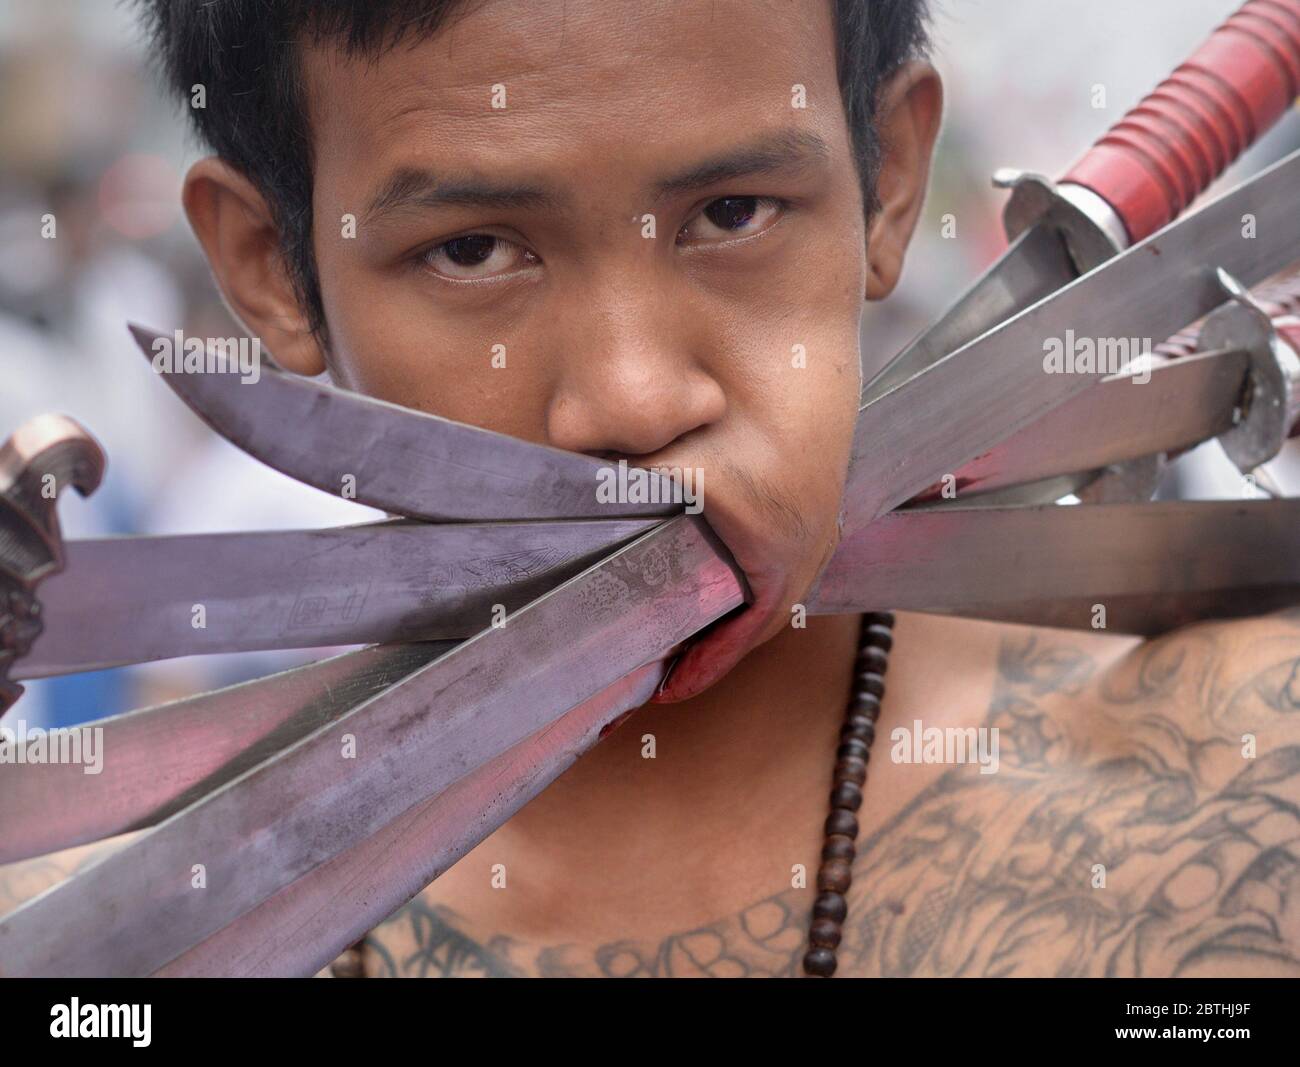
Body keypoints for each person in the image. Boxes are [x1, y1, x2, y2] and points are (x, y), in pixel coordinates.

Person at [3, 0, 1298, 978]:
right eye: (471, 249)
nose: (629, 401)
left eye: (734, 213)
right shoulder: (90, 940)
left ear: (886, 189)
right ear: (270, 273)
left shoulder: (1248, 791)